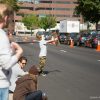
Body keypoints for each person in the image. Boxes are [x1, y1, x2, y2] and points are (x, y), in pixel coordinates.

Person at [0, 4, 23, 100]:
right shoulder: (2, 35)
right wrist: (19, 52)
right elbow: (6, 64)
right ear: (5, 17)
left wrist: (10, 51)